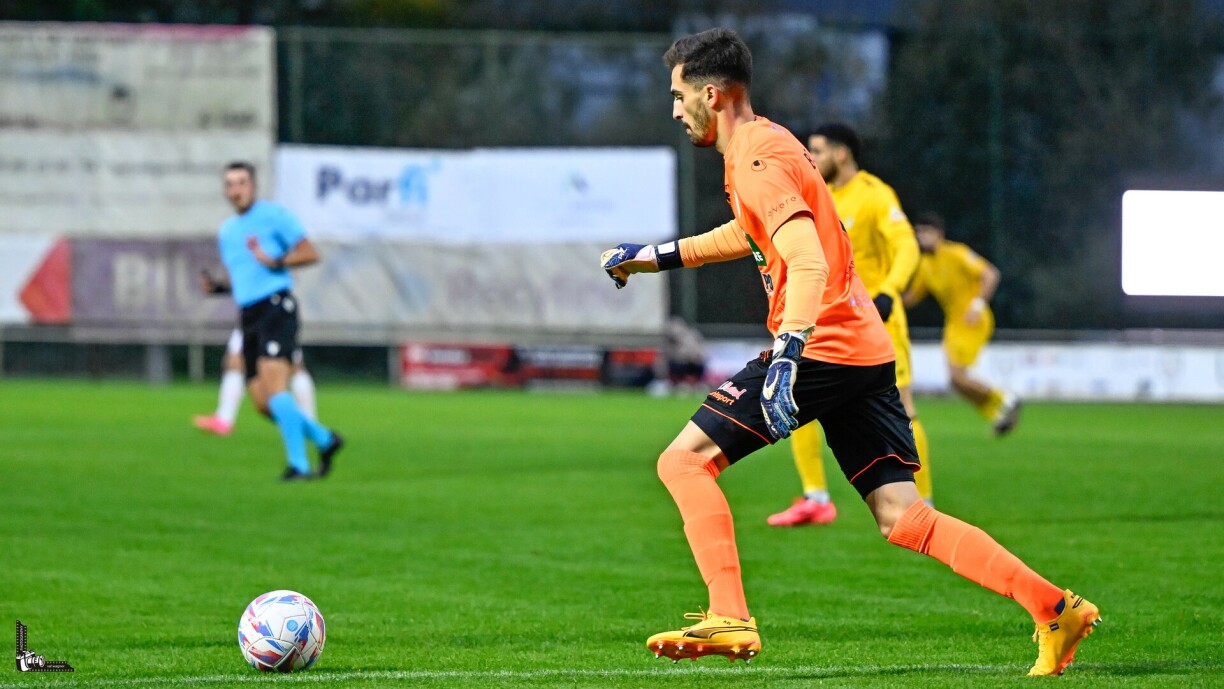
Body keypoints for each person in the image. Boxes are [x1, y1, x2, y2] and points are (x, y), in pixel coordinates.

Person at [600, 28, 1097, 676]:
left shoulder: (755, 158)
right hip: (864, 346)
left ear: (712, 94)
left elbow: (803, 258)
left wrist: (787, 354)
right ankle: (1054, 607)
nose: (674, 109)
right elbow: (749, 232)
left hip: (823, 346)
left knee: (682, 461)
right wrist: (655, 255)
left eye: (678, 94)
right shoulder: (769, 144)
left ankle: (730, 614)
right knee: (902, 513)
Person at [767, 123, 929, 527]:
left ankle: (922, 505)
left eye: (817, 151)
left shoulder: (875, 195)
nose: (811, 158)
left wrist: (890, 291)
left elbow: (906, 244)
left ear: (841, 154)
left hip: (879, 320)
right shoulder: (816, 197)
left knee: (904, 411)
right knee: (795, 399)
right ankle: (816, 497)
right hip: (829, 323)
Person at [202, 161, 344, 480]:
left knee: (277, 388)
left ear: (253, 186)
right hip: (249, 314)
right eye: (230, 184)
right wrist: (220, 288)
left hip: (276, 308)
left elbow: (310, 253)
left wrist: (277, 260)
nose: (235, 189)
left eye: (241, 182)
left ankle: (299, 465)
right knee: (263, 404)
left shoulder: (273, 216)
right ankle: (324, 438)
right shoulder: (227, 231)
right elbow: (245, 279)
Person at [904, 212, 1021, 436]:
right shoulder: (925, 264)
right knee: (956, 382)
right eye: (918, 232)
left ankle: (1006, 399)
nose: (921, 237)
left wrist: (977, 305)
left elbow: (990, 274)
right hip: (954, 324)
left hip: (972, 319)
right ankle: (998, 412)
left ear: (939, 234)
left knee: (957, 377)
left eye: (926, 232)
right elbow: (912, 297)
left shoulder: (956, 253)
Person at [193, 328, 318, 436]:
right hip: (260, 313)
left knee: (292, 367)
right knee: (292, 366)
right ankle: (309, 423)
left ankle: (309, 424)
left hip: (264, 311)